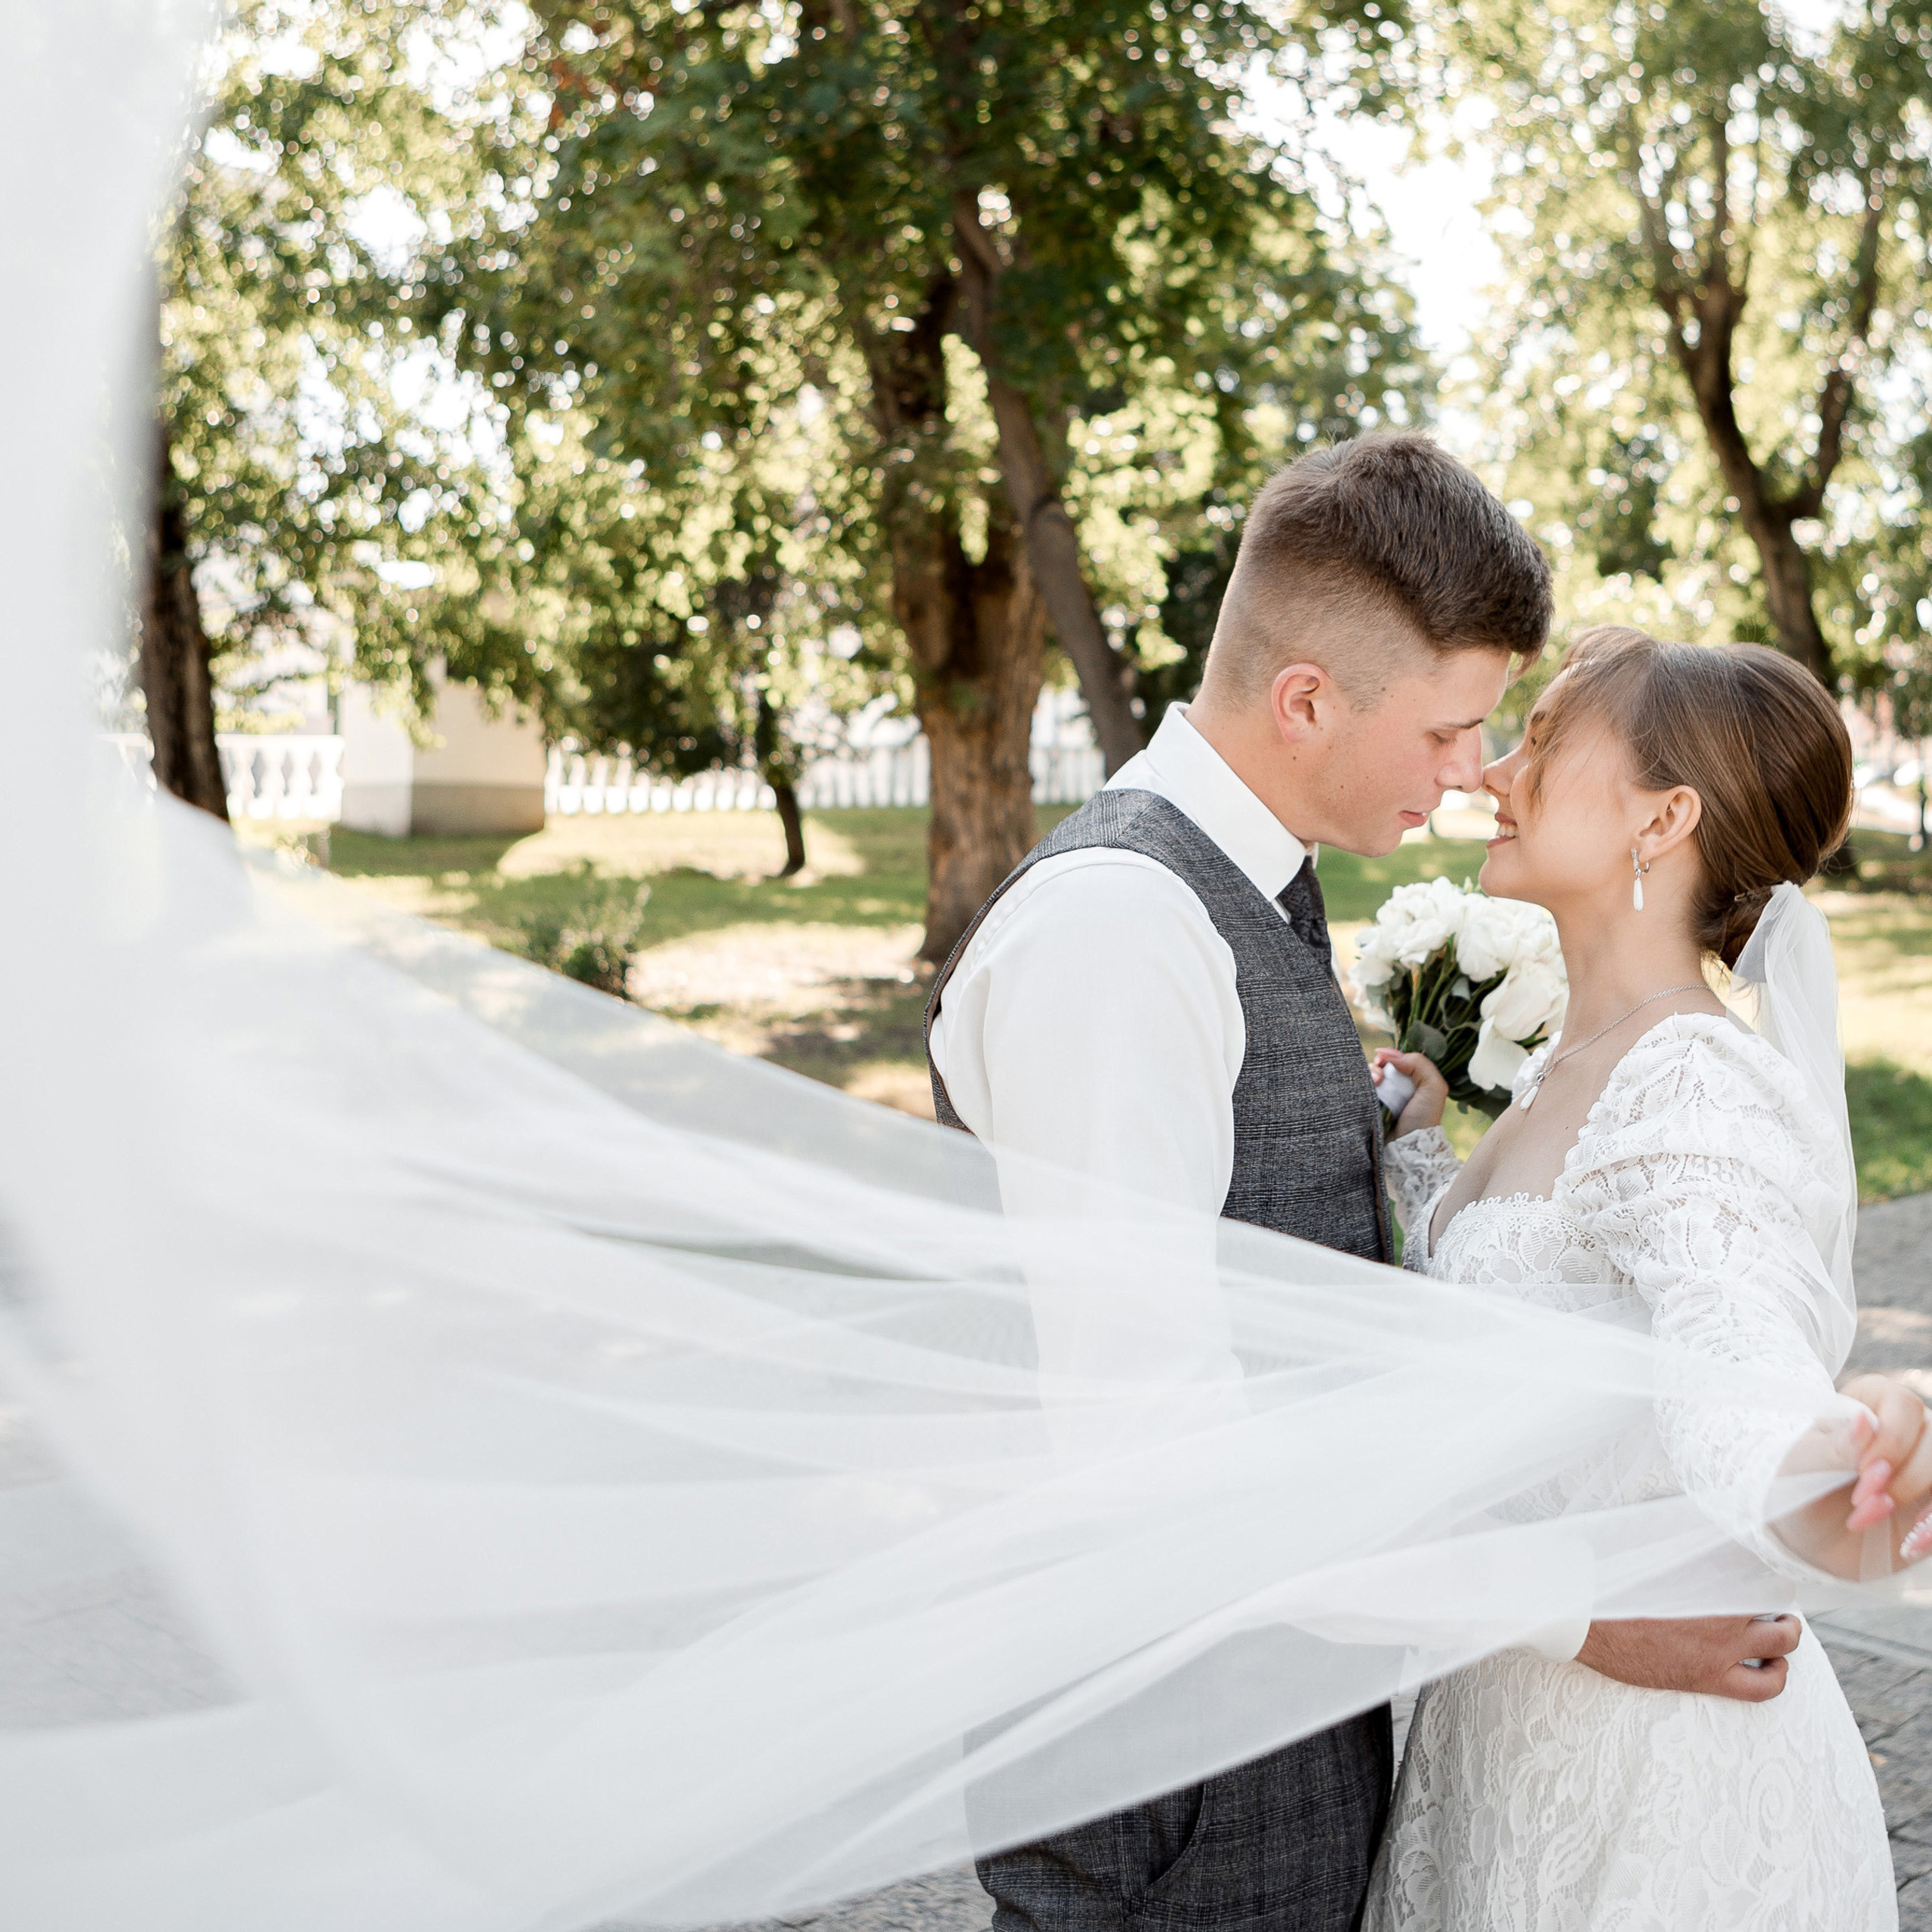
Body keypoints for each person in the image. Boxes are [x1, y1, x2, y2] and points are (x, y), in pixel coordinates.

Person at [924, 440, 1828, 1932]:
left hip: (1289, 1743)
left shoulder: (1225, 901)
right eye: (1450, 729)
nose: (1471, 772)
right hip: (1172, 1795)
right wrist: (1582, 1615)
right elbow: (1161, 1458)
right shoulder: (1117, 936)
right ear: (1303, 701)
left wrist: (1362, 1131)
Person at [1365, 626, 1915, 1929]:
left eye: (1545, 744)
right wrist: (1406, 1159)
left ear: (1663, 819)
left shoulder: (1690, 1086)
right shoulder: (1580, 1059)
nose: (1493, 771)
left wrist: (1833, 1478)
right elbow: (1531, 1305)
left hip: (1658, 1795)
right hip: (1510, 1732)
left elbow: (1739, 1372)